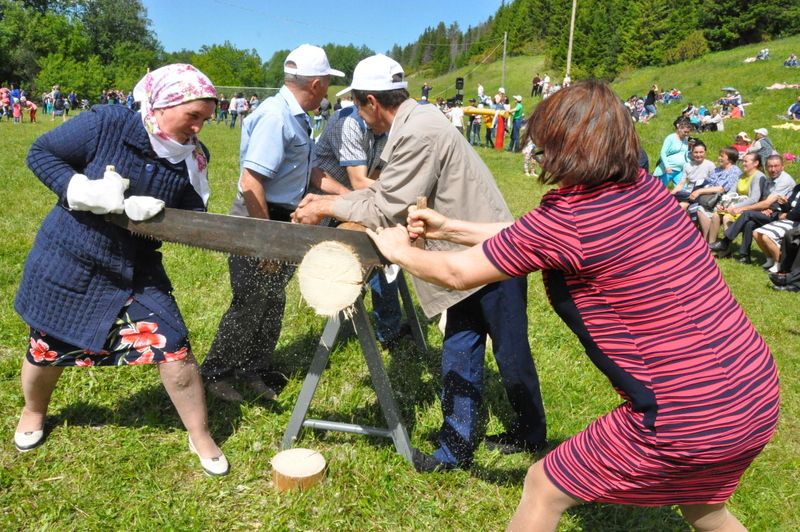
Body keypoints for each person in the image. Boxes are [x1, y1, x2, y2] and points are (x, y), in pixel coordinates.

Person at [367, 80, 779, 530]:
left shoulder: (572, 218)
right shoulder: (647, 191)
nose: (541, 161)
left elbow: (455, 273)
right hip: (754, 390)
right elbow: (532, 239)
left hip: (687, 411)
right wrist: (449, 225)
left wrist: (398, 250)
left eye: (543, 151)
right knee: (705, 506)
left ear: (568, 151)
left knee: (543, 487)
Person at [292, 54, 547, 472]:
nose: (360, 116)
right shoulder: (414, 125)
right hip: (460, 257)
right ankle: (455, 450)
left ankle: (531, 431)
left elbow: (388, 205)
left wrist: (326, 205)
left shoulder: (419, 133)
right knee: (460, 349)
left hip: (491, 255)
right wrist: (332, 204)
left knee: (510, 351)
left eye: (359, 105)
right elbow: (385, 195)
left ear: (373, 101)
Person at [14, 64, 229, 476]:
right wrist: (80, 189)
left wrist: (160, 215)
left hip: (135, 269)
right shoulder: (108, 122)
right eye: (194, 116)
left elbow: (194, 212)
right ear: (165, 104)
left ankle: (199, 434)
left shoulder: (195, 157)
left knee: (175, 348)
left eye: (205, 119)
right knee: (46, 348)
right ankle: (33, 412)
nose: (199, 128)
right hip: (70, 256)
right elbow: (41, 153)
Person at [200, 45, 343, 402]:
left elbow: (307, 172)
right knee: (250, 302)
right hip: (260, 218)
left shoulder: (296, 117)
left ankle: (252, 370)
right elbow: (251, 183)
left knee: (271, 300)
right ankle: (216, 374)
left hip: (279, 218)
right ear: (315, 83)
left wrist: (351, 199)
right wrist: (267, 240)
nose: (327, 91)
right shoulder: (276, 117)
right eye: (326, 83)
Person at [309, 102, 406, 347]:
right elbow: (357, 180)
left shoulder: (383, 130)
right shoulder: (350, 123)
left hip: (350, 200)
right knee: (359, 260)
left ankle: (386, 327)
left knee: (379, 259)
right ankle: (376, 326)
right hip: (323, 195)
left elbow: (376, 175)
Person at [711, 154, 796, 262]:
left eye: (776, 166)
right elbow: (765, 200)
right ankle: (744, 256)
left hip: (783, 216)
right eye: (770, 166)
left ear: (782, 167)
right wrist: (766, 207)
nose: (773, 169)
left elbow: (767, 202)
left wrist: (742, 208)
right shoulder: (770, 179)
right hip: (771, 212)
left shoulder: (784, 180)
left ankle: (725, 242)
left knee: (747, 214)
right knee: (749, 223)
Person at [690, 147, 742, 244]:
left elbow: (722, 188)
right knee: (698, 209)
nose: (719, 158)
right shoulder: (717, 170)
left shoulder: (734, 171)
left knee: (702, 208)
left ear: (730, 159)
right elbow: (709, 183)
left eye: (722, 156)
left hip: (723, 202)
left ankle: (707, 242)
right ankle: (705, 240)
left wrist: (700, 191)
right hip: (709, 199)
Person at [652, 118, 691, 188]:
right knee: (660, 189)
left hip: (680, 170)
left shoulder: (685, 140)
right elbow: (663, 152)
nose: (686, 134)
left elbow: (685, 155)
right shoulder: (670, 138)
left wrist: (690, 165)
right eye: (685, 132)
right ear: (679, 129)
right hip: (668, 170)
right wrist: (667, 166)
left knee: (683, 190)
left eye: (688, 132)